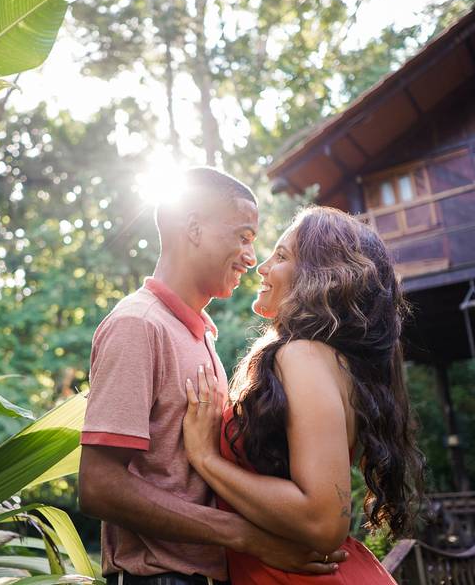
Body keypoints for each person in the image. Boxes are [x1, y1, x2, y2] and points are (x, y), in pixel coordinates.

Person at [78, 170, 348, 585]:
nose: (250, 257)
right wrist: (244, 537)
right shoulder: (137, 324)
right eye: (243, 236)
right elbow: (98, 486)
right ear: (194, 229)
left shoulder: (200, 334)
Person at [182, 206, 426, 584]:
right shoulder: (321, 359)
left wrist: (205, 459)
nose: (261, 267)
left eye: (281, 256)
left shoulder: (302, 355)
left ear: (321, 277)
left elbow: (324, 522)